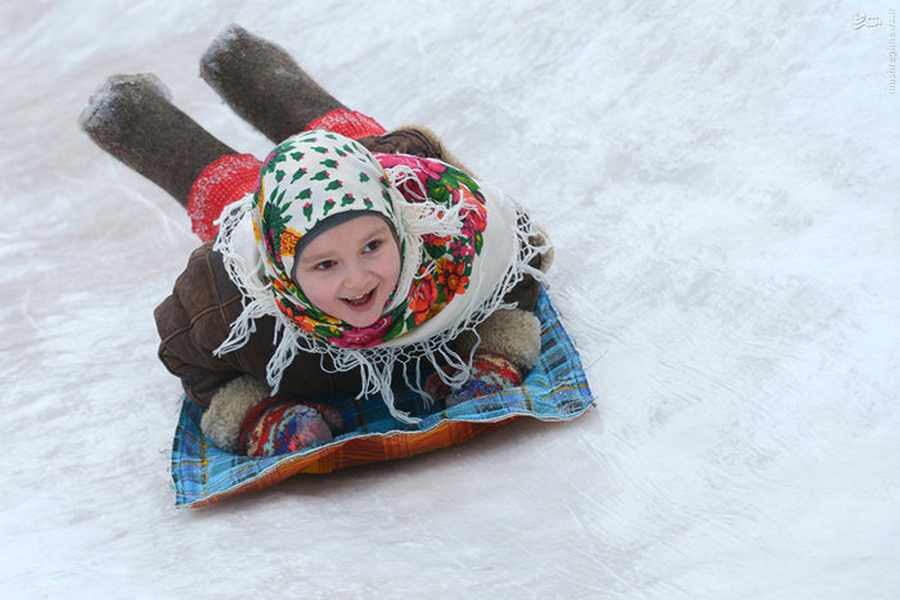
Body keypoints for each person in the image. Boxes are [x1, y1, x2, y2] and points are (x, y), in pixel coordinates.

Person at [80, 25, 552, 457]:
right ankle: (128, 112)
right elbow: (190, 355)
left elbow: (522, 256)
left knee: (348, 140)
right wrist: (251, 412)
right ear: (282, 275)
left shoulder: (449, 246)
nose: (359, 279)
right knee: (234, 191)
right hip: (276, 220)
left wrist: (495, 350)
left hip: (383, 175)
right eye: (326, 266)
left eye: (373, 249)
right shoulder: (234, 302)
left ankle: (243, 61)